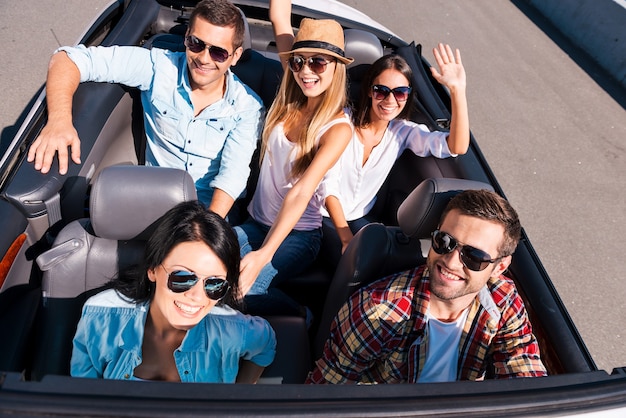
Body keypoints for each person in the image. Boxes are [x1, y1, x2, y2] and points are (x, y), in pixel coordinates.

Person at [27, 0, 264, 219]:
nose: (203, 58)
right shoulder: (159, 68)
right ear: (186, 39)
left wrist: (205, 231)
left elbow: (231, 178)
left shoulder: (247, 108)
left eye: (218, 52)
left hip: (211, 214)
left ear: (235, 56)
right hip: (154, 206)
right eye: (196, 44)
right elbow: (67, 59)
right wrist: (59, 121)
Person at [307, 189, 547, 383]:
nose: (451, 262)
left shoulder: (502, 299)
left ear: (499, 267)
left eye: (474, 256)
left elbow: (523, 370)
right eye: (445, 242)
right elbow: (328, 395)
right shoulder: (377, 311)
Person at [233, 0, 353, 317]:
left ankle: (301, 314)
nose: (306, 71)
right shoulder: (295, 84)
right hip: (255, 223)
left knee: (246, 291)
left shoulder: (337, 129)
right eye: (298, 61)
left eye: (318, 62)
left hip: (299, 235)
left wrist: (263, 255)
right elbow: (279, 17)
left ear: (337, 66)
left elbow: (301, 192)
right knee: (205, 265)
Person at [71, 201, 276, 383]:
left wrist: (240, 396)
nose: (197, 296)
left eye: (214, 284)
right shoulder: (101, 319)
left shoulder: (233, 330)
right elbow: (85, 395)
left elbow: (266, 343)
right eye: (183, 278)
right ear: (153, 269)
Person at [322, 49, 470, 266]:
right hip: (320, 216)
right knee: (355, 263)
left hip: (358, 218)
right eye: (381, 91)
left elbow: (456, 146)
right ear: (370, 91)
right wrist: (346, 239)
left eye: (400, 92)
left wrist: (457, 91)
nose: (390, 100)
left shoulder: (403, 132)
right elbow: (327, 186)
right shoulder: (342, 123)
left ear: (408, 95)